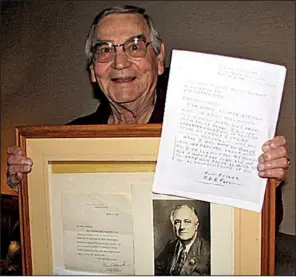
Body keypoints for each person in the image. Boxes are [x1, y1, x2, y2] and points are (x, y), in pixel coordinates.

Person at [6, 5, 291, 218]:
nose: (119, 62)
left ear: (158, 58)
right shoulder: (67, 141)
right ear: (93, 70)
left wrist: (265, 179)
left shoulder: (206, 131)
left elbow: (248, 230)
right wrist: (30, 186)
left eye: (134, 46)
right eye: (104, 50)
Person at [155, 204, 210, 275]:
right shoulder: (170, 246)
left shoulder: (209, 251)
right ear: (173, 226)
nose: (182, 227)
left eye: (187, 221)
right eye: (177, 222)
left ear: (196, 226)